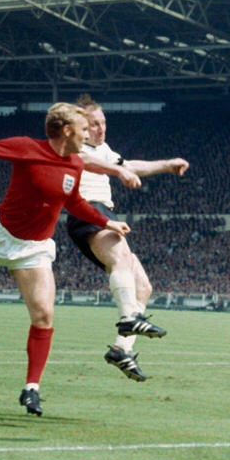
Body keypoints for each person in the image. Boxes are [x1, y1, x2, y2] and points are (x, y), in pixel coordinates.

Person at [0, 103, 130, 416]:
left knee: (44, 315)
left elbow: (74, 201)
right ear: (66, 130)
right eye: (84, 128)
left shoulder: (75, 163)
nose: (89, 133)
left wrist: (108, 222)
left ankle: (31, 388)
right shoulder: (27, 148)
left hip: (32, 249)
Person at [71, 95, 189, 382]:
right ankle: (128, 319)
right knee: (122, 259)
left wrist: (167, 165)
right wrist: (119, 170)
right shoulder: (75, 148)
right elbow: (89, 162)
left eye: (103, 123)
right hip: (87, 210)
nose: (101, 129)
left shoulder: (105, 150)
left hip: (102, 213)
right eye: (94, 124)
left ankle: (120, 349)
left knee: (143, 287)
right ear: (82, 128)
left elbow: (131, 164)